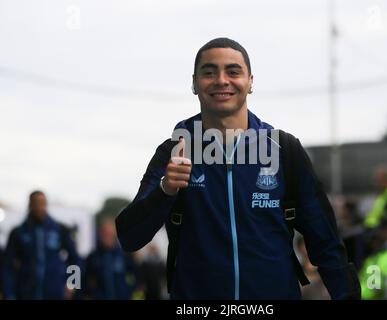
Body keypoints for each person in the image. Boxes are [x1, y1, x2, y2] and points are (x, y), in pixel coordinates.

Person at [115, 38, 360, 300]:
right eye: (209, 72)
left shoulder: (284, 149)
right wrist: (165, 190)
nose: (221, 80)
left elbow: (327, 245)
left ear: (250, 82)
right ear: (195, 83)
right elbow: (130, 237)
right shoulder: (173, 151)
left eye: (233, 71)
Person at [2, 190, 80, 299]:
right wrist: (9, 293)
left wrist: (73, 284)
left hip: (54, 291)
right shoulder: (18, 232)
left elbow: (75, 259)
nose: (39, 207)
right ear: (30, 205)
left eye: (42, 203)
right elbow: (7, 266)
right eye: (36, 203)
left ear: (46, 205)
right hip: (26, 292)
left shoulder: (59, 229)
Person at [83, 219, 136, 300]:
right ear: (100, 234)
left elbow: (135, 275)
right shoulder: (93, 256)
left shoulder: (124, 255)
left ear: (115, 234)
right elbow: (84, 278)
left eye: (110, 234)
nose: (108, 237)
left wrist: (129, 292)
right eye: (105, 234)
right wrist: (89, 294)